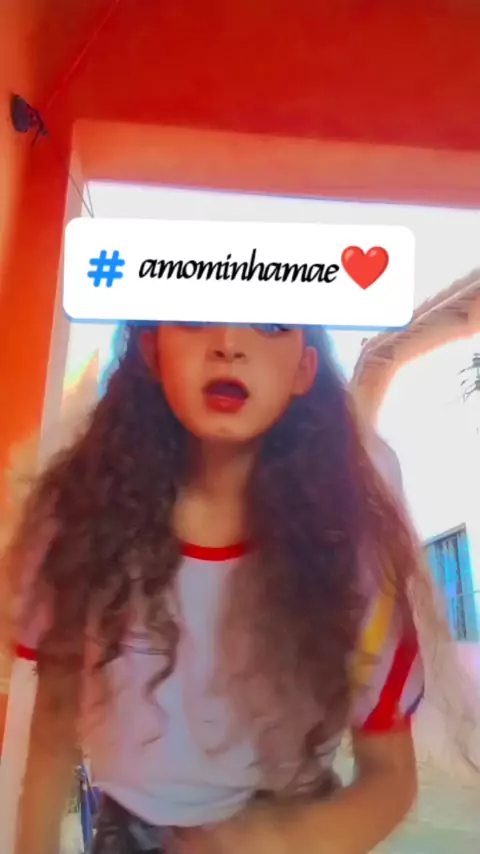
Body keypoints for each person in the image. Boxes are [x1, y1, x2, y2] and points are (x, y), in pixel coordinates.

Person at [0, 323, 461, 854]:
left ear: (304, 370)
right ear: (152, 350)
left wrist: (270, 841)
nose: (228, 345)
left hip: (299, 833)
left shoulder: (351, 546)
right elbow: (52, 731)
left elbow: (391, 779)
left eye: (270, 326)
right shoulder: (79, 520)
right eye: (195, 318)